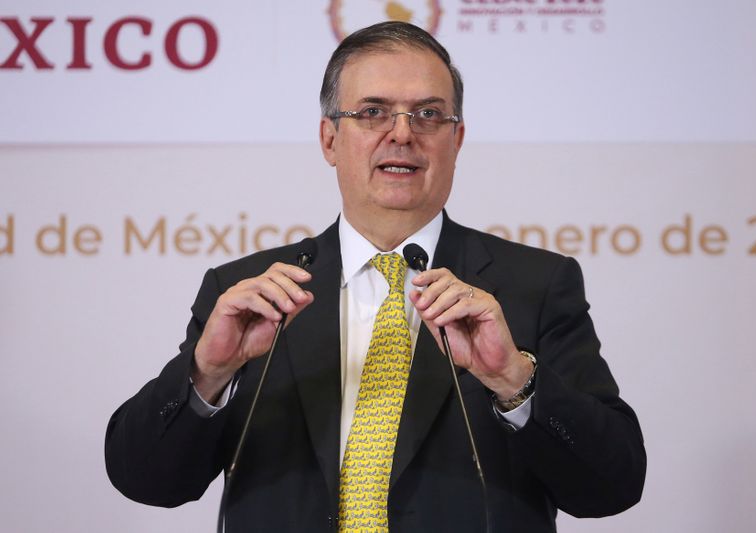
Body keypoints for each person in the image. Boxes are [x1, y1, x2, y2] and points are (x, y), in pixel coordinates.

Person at [105, 21, 645, 532]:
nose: (402, 134)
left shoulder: (535, 285)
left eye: (429, 113)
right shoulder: (247, 293)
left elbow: (611, 487)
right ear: (329, 140)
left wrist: (516, 383)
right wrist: (208, 374)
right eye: (373, 112)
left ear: (456, 141)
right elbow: (146, 479)